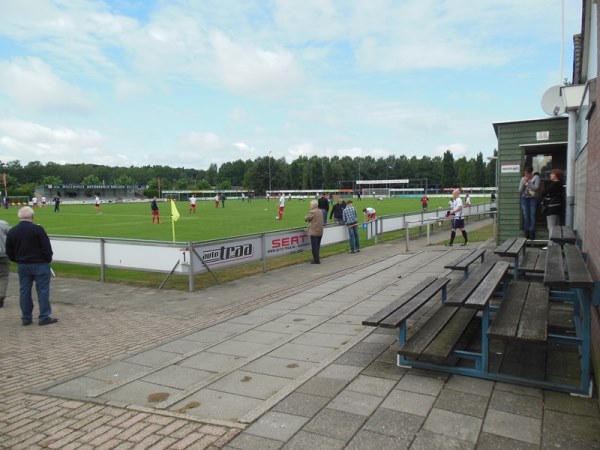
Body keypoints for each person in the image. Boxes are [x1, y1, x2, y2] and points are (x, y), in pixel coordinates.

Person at [5, 206, 57, 325]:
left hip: (23, 264)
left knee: (24, 291)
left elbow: (9, 251)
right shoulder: (38, 229)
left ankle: (26, 317)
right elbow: (46, 248)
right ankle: (44, 316)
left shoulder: (12, 231)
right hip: (40, 263)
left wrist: (17, 260)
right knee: (43, 291)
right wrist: (48, 259)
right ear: (32, 216)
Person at [518, 167, 540, 240]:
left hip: (533, 198)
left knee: (532, 214)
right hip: (524, 198)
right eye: (525, 173)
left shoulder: (536, 178)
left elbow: (536, 188)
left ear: (531, 173)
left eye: (527, 173)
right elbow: (520, 191)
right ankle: (526, 231)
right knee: (526, 215)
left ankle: (532, 232)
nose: (526, 175)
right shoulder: (523, 179)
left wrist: (529, 183)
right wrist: (524, 184)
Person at [305, 200, 324, 264]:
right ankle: (317, 258)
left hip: (314, 231)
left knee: (314, 247)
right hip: (320, 231)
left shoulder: (313, 212)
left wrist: (307, 218)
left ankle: (316, 260)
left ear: (313, 205)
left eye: (310, 205)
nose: (310, 206)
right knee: (317, 246)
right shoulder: (320, 211)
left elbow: (306, 218)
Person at [0, 219, 10, 308]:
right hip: (3, 254)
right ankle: (1, 295)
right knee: (3, 276)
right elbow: (12, 235)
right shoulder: (3, 224)